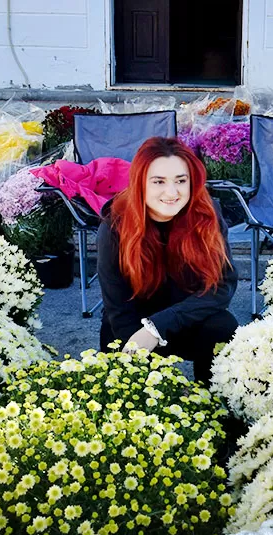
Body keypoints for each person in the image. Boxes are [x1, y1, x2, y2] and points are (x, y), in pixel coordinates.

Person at [96, 136, 238, 385]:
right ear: (141, 183)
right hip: (131, 327)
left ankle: (213, 401)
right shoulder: (115, 226)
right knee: (134, 403)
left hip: (187, 318)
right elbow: (117, 308)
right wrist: (163, 391)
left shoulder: (206, 214)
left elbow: (222, 285)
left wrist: (159, 326)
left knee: (222, 326)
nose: (172, 193)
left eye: (181, 181)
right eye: (159, 181)